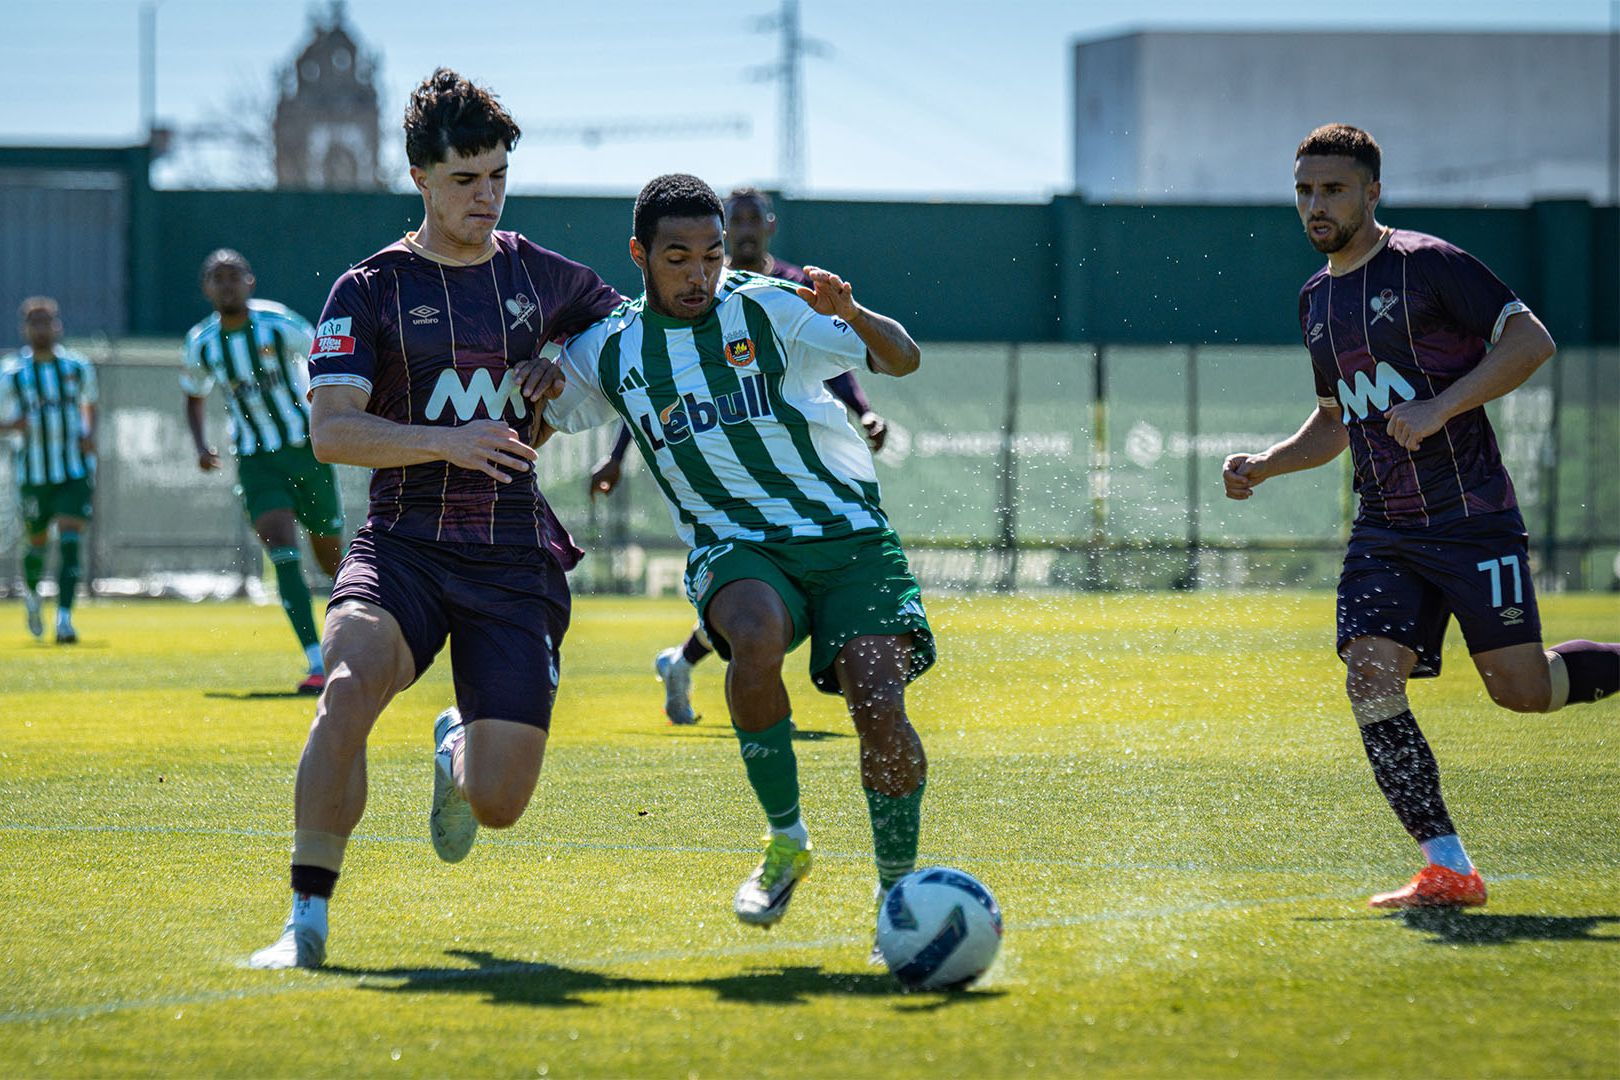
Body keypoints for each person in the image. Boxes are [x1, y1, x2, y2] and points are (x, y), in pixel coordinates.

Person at [248, 68, 621, 971]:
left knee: (497, 803)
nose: (486, 196)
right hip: (404, 547)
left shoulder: (540, 274)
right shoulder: (367, 290)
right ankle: (306, 923)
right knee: (346, 688)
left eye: (498, 175)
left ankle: (458, 747)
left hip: (509, 556)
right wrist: (445, 443)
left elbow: (623, 334)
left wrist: (565, 363)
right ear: (420, 177)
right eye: (465, 179)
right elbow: (332, 432)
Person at [1223, 124, 1619, 910]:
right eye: (1304, 190)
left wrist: (1440, 405)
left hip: (1473, 519)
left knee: (1523, 689)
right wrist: (1268, 463)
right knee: (1370, 677)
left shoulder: (1427, 264)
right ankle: (1449, 868)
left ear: (1373, 191)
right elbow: (1336, 420)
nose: (1315, 205)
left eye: (1333, 189)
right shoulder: (1314, 299)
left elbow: (1530, 341)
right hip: (1385, 530)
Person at [531, 173, 932, 944]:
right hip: (736, 545)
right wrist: (540, 375)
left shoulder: (769, 305)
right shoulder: (609, 346)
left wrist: (852, 314)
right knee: (751, 632)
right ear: (639, 255)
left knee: (880, 710)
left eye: (711, 255)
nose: (699, 274)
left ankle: (899, 901)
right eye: (677, 257)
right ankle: (787, 840)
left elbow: (903, 359)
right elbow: (540, 421)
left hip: (848, 536)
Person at [586, 186, 891, 726]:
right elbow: (653, 392)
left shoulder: (791, 290)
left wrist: (862, 410)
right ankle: (726, 682)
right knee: (751, 598)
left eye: (751, 221)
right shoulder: (660, 314)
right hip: (721, 481)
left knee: (768, 599)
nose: (745, 230)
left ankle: (686, 663)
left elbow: (834, 362)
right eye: (737, 218)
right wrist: (616, 456)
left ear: (766, 227)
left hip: (795, 476)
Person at [182, 249, 344, 693]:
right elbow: (194, 393)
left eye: (234, 275)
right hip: (256, 460)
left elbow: (323, 356)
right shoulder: (201, 342)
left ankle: (352, 645)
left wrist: (323, 400)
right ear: (206, 289)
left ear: (250, 282)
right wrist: (200, 445)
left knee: (332, 559)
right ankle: (316, 660)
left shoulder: (277, 322)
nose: (227, 284)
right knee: (283, 552)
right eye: (218, 277)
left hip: (304, 450)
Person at [0, 297, 96, 643]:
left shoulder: (77, 367)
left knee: (71, 540)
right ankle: (31, 595)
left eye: (47, 321)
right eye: (34, 322)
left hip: (73, 471)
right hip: (34, 475)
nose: (42, 328)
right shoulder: (12, 373)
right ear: (24, 328)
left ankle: (65, 618)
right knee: (37, 543)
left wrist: (88, 436)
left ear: (58, 325)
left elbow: (89, 404)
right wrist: (13, 424)